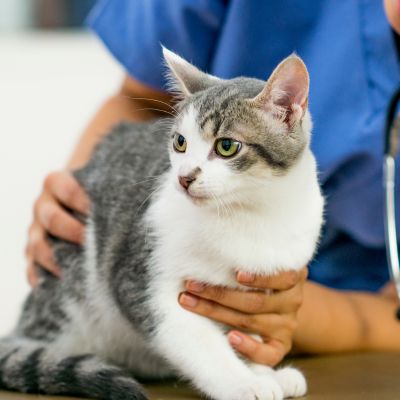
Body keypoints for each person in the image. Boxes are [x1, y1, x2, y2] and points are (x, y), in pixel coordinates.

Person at [26, 0, 400, 367]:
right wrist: (76, 212)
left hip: (353, 341)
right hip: (171, 297)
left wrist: (288, 310)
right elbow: (140, 100)